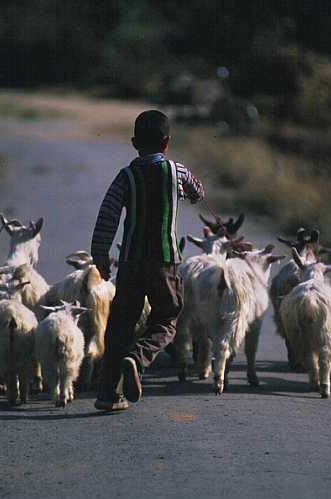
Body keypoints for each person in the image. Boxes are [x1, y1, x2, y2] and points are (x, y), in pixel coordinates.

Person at [91, 110, 205, 411]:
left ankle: (108, 395)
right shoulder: (177, 172)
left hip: (130, 262)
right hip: (165, 262)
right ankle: (138, 356)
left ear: (133, 143)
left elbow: (107, 216)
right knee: (167, 318)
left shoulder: (125, 177)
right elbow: (198, 191)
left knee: (120, 326)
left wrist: (100, 255)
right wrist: (189, 194)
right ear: (167, 142)